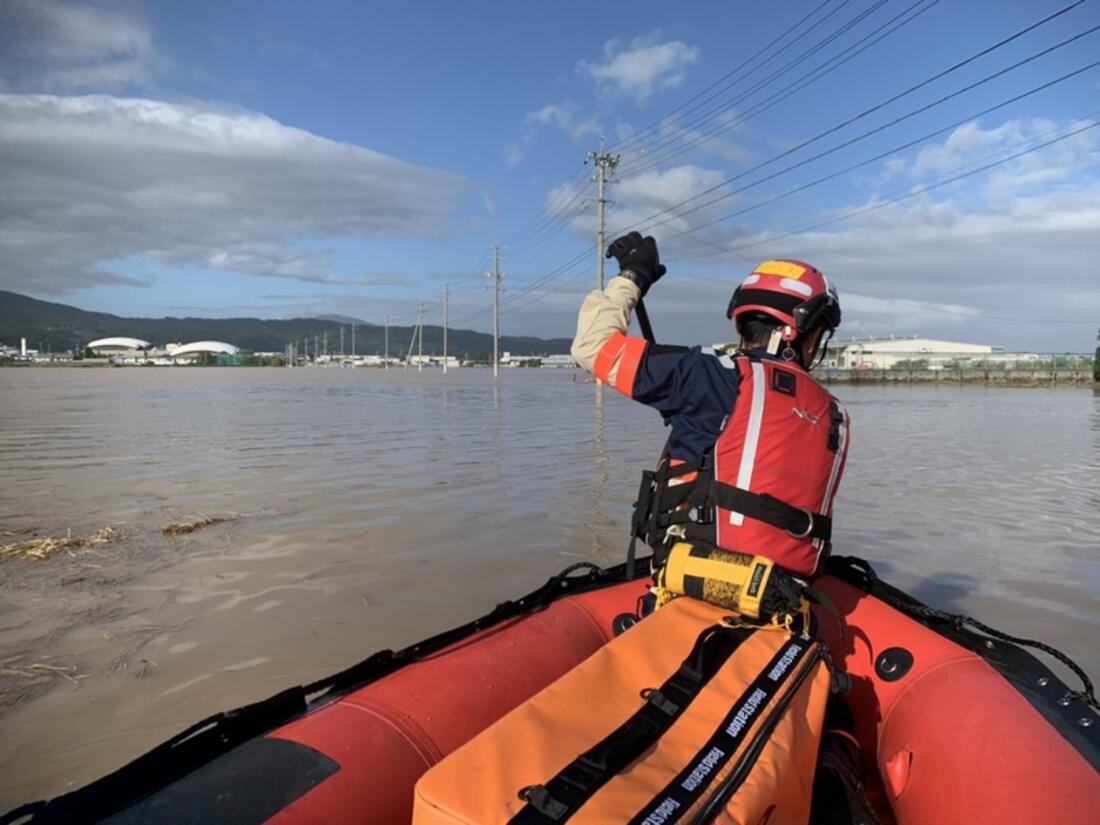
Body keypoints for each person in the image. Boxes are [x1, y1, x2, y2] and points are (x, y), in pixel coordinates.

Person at [571, 232, 849, 579]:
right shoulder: (833, 412)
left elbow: (591, 346)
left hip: (697, 578)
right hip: (790, 591)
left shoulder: (711, 374)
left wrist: (632, 278)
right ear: (802, 331)